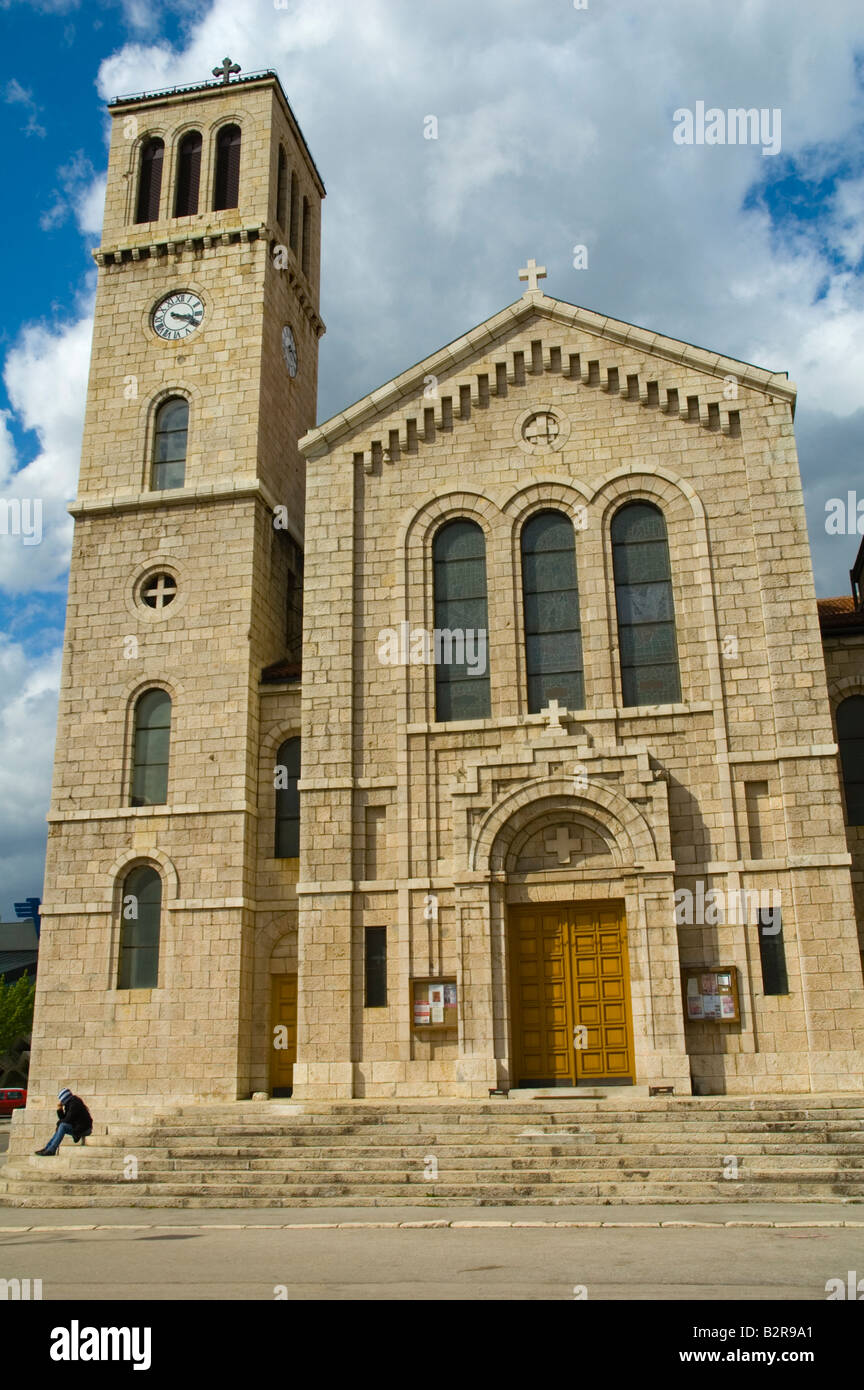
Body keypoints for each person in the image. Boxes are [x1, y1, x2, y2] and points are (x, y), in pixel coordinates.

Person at [34, 1087, 93, 1156]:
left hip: (85, 1129)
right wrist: (60, 1109)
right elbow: (65, 1119)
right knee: (62, 1125)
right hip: (78, 1127)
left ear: (65, 1099)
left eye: (61, 1100)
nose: (61, 1102)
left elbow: (67, 1120)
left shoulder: (75, 1103)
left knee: (62, 1126)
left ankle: (51, 1150)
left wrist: (59, 1124)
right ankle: (47, 1148)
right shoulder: (70, 1103)